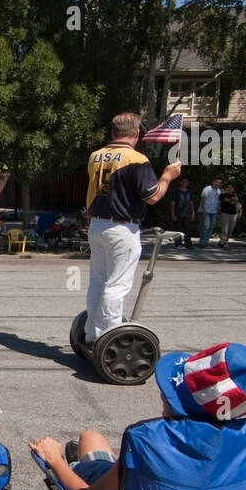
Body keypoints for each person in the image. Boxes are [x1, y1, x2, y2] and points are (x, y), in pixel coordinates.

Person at [30, 342, 246, 490]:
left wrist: (55, 461)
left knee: (87, 442)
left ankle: (78, 465)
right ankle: (97, 464)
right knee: (91, 438)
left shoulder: (149, 442)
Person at [83, 113, 181, 344]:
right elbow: (152, 196)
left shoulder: (95, 156)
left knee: (98, 281)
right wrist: (167, 177)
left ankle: (91, 333)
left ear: (113, 132)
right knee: (117, 285)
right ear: (136, 134)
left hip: (97, 223)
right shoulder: (135, 159)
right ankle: (106, 337)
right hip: (121, 228)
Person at [199, 177, 222, 248]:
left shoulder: (219, 191)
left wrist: (218, 211)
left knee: (211, 227)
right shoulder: (207, 189)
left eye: (220, 183)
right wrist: (204, 210)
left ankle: (206, 242)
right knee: (206, 226)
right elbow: (203, 200)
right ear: (213, 182)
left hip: (213, 211)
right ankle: (202, 243)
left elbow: (218, 202)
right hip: (206, 211)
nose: (218, 184)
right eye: (217, 182)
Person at [218, 183, 240, 248]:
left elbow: (237, 203)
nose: (230, 189)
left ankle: (222, 240)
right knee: (224, 228)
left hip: (234, 214)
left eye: (231, 188)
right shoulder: (223, 195)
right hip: (225, 213)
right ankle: (225, 242)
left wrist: (239, 212)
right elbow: (225, 200)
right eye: (228, 187)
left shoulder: (235, 195)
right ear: (226, 188)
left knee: (231, 229)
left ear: (233, 189)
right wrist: (233, 199)